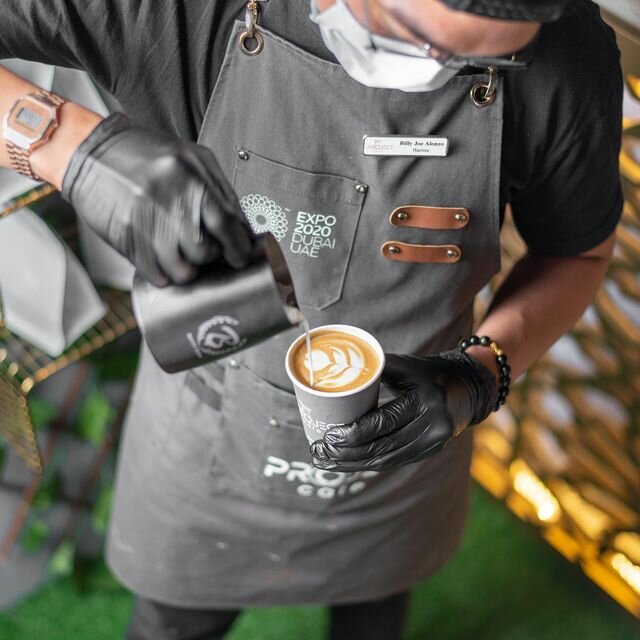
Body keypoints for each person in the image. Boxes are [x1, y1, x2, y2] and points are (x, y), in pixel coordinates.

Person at [0, 0, 623, 638]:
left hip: (406, 465)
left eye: (478, 59)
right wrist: (68, 147)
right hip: (205, 449)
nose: (432, 72)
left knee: (374, 618)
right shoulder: (179, 12)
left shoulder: (564, 54)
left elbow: (576, 254)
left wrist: (481, 374)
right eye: (410, 36)